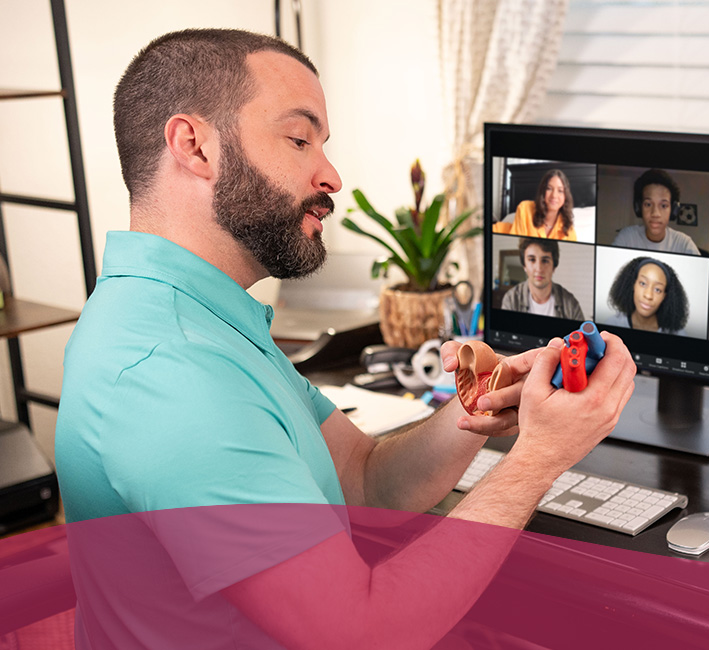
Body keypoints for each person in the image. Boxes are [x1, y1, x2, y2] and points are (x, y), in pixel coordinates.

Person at [54, 29, 636, 649]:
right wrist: (539, 459)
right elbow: (361, 633)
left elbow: (364, 480)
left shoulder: (195, 319)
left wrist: (477, 400)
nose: (330, 174)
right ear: (194, 146)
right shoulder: (172, 370)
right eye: (300, 139)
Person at [610, 169, 700, 255]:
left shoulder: (684, 244)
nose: (655, 214)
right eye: (648, 204)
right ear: (638, 208)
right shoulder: (626, 237)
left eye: (663, 205)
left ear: (673, 210)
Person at [500, 238, 586, 319]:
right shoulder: (511, 299)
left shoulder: (570, 303)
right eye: (532, 260)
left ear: (554, 267)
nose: (539, 269)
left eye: (545, 261)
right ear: (524, 265)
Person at [606, 256, 689, 335]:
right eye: (643, 283)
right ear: (633, 284)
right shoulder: (611, 324)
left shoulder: (677, 333)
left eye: (657, 290)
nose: (648, 295)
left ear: (665, 296)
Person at [494, 168, 577, 240]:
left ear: (565, 196)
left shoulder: (568, 231)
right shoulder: (525, 209)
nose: (554, 195)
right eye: (549, 189)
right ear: (542, 191)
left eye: (560, 191)